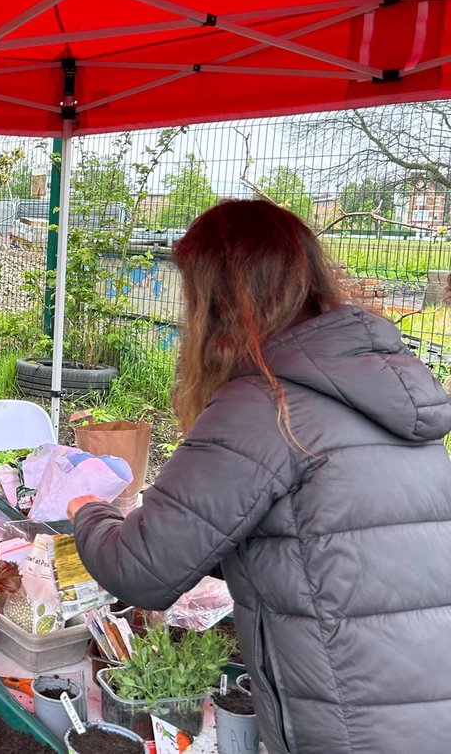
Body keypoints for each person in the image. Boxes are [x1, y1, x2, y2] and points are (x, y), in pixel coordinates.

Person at [67, 199, 451, 754]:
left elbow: (141, 569)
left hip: (349, 721)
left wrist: (88, 510)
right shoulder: (382, 385)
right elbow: (330, 538)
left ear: (220, 300)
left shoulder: (264, 404)